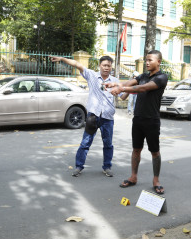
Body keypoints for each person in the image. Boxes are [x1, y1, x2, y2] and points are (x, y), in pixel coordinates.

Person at [50, 55, 127, 177]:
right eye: (104, 65)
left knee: (108, 144)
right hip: (93, 116)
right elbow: (77, 64)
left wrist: (129, 89)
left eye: (109, 66)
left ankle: (107, 167)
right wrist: (62, 59)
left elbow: (122, 96)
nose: (106, 68)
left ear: (111, 67)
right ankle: (78, 166)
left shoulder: (115, 81)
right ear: (99, 66)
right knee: (85, 142)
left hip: (107, 118)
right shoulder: (91, 75)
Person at [105, 50, 168, 194]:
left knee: (155, 152)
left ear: (158, 62)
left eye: (150, 60)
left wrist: (122, 88)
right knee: (136, 149)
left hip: (152, 120)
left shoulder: (161, 77)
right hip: (138, 119)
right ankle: (133, 177)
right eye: (146, 60)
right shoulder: (143, 76)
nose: (147, 62)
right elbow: (130, 83)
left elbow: (142, 88)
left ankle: (156, 180)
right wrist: (115, 85)